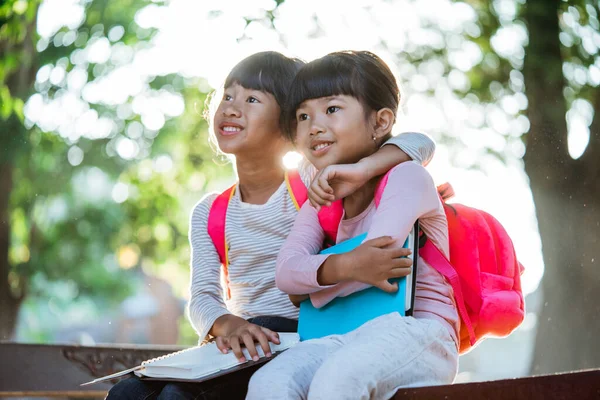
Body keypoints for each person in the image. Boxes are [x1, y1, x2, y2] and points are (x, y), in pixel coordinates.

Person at [107, 51, 435, 400]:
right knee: (126, 393)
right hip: (240, 338)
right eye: (228, 95)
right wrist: (227, 324)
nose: (232, 107)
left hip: (297, 334)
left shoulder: (312, 184)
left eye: (251, 99)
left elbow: (419, 143)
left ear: (290, 127)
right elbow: (202, 297)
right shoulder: (210, 211)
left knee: (178, 397)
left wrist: (366, 168)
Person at [246, 51, 459, 400]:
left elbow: (380, 265)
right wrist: (346, 266)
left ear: (380, 122)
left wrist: (312, 283)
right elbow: (285, 275)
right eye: (303, 116)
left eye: (332, 109)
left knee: (337, 381)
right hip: (341, 333)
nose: (314, 126)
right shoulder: (322, 199)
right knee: (268, 383)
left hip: (419, 331)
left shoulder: (407, 176)